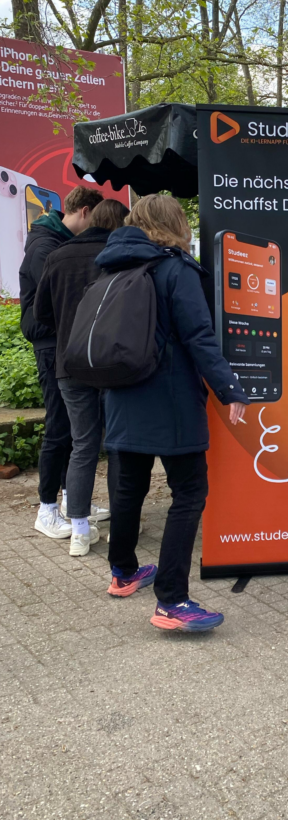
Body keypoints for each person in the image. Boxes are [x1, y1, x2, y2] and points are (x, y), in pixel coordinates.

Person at [96, 194, 249, 632]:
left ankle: (123, 572)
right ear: (176, 224)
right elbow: (200, 336)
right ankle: (172, 600)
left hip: (122, 398)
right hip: (172, 402)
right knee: (189, 493)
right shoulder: (176, 270)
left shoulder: (113, 268)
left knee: (129, 488)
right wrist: (229, 388)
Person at [34, 200, 129, 556]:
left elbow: (42, 312)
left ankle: (78, 530)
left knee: (83, 445)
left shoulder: (57, 255)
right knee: (118, 443)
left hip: (68, 365)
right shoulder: (119, 255)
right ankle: (122, 522)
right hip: (111, 364)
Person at [19, 185, 103, 540]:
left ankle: (72, 499)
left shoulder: (53, 241)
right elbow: (54, 304)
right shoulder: (46, 247)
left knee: (73, 427)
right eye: (96, 221)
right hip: (51, 344)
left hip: (62, 343)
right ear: (84, 212)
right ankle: (47, 509)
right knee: (58, 427)